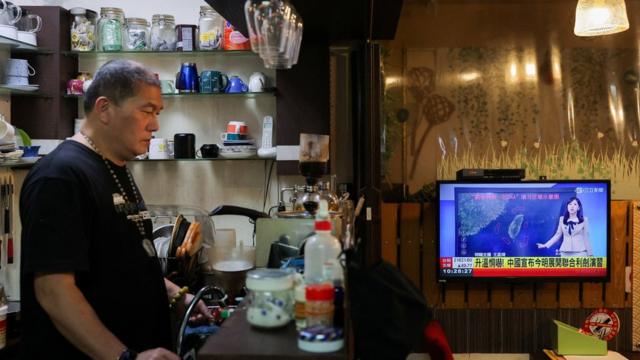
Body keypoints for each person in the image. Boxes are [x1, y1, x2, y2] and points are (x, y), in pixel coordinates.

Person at [19, 59, 213, 360]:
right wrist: (125, 357)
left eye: (157, 113)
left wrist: (177, 296)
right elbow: (55, 292)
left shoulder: (114, 166)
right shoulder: (59, 176)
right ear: (104, 108)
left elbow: (124, 261)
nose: (156, 124)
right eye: (147, 111)